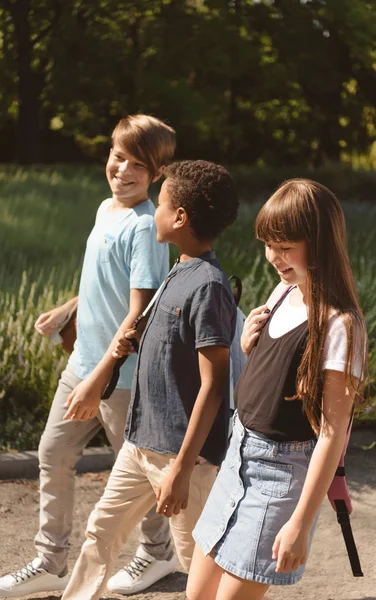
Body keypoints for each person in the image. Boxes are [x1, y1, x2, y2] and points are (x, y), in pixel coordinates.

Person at [0, 115, 178, 598]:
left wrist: (98, 380)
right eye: (119, 157)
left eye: (138, 165)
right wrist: (68, 307)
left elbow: (140, 315)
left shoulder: (144, 228)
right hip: (83, 363)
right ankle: (50, 562)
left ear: (157, 174)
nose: (123, 170)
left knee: (137, 471)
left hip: (122, 379)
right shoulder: (106, 209)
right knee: (53, 454)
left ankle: (158, 555)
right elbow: (108, 283)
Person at [60, 159, 239, 600]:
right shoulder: (178, 271)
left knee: (198, 562)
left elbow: (214, 386)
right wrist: (136, 341)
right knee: (101, 530)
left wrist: (179, 471)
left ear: (180, 217)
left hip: (182, 459)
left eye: (161, 204)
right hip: (141, 444)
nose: (153, 212)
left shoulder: (209, 286)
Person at [187, 178, 368, 600]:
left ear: (320, 243)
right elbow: (280, 380)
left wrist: (301, 524)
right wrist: (254, 348)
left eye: (286, 247)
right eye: (269, 244)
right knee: (197, 595)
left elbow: (331, 432)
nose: (274, 257)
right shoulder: (285, 291)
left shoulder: (341, 325)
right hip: (238, 456)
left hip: (281, 475)